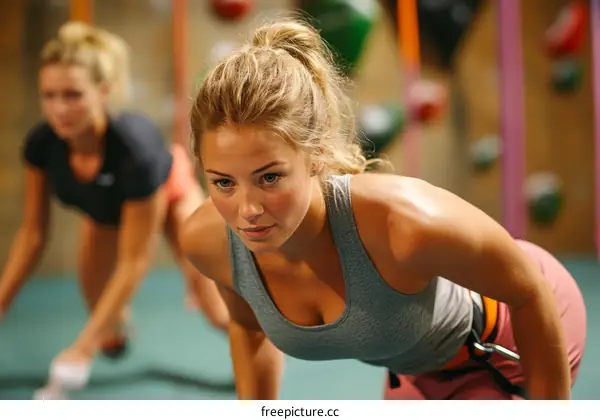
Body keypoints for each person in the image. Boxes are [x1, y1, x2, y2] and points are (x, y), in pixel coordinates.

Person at [180, 19, 587, 400]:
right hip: (416, 371)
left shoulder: (405, 223)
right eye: (223, 183)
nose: (247, 209)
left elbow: (529, 290)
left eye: (269, 177)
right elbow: (250, 330)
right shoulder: (208, 242)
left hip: (510, 339)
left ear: (316, 155)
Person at [0, 21, 229, 394]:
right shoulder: (42, 145)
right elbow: (32, 234)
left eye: (73, 95)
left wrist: (80, 349)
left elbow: (135, 260)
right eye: (50, 95)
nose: (60, 108)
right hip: (106, 211)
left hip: (168, 194)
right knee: (102, 318)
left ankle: (262, 350)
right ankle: (115, 328)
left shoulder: (134, 151)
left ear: (102, 92)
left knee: (215, 307)